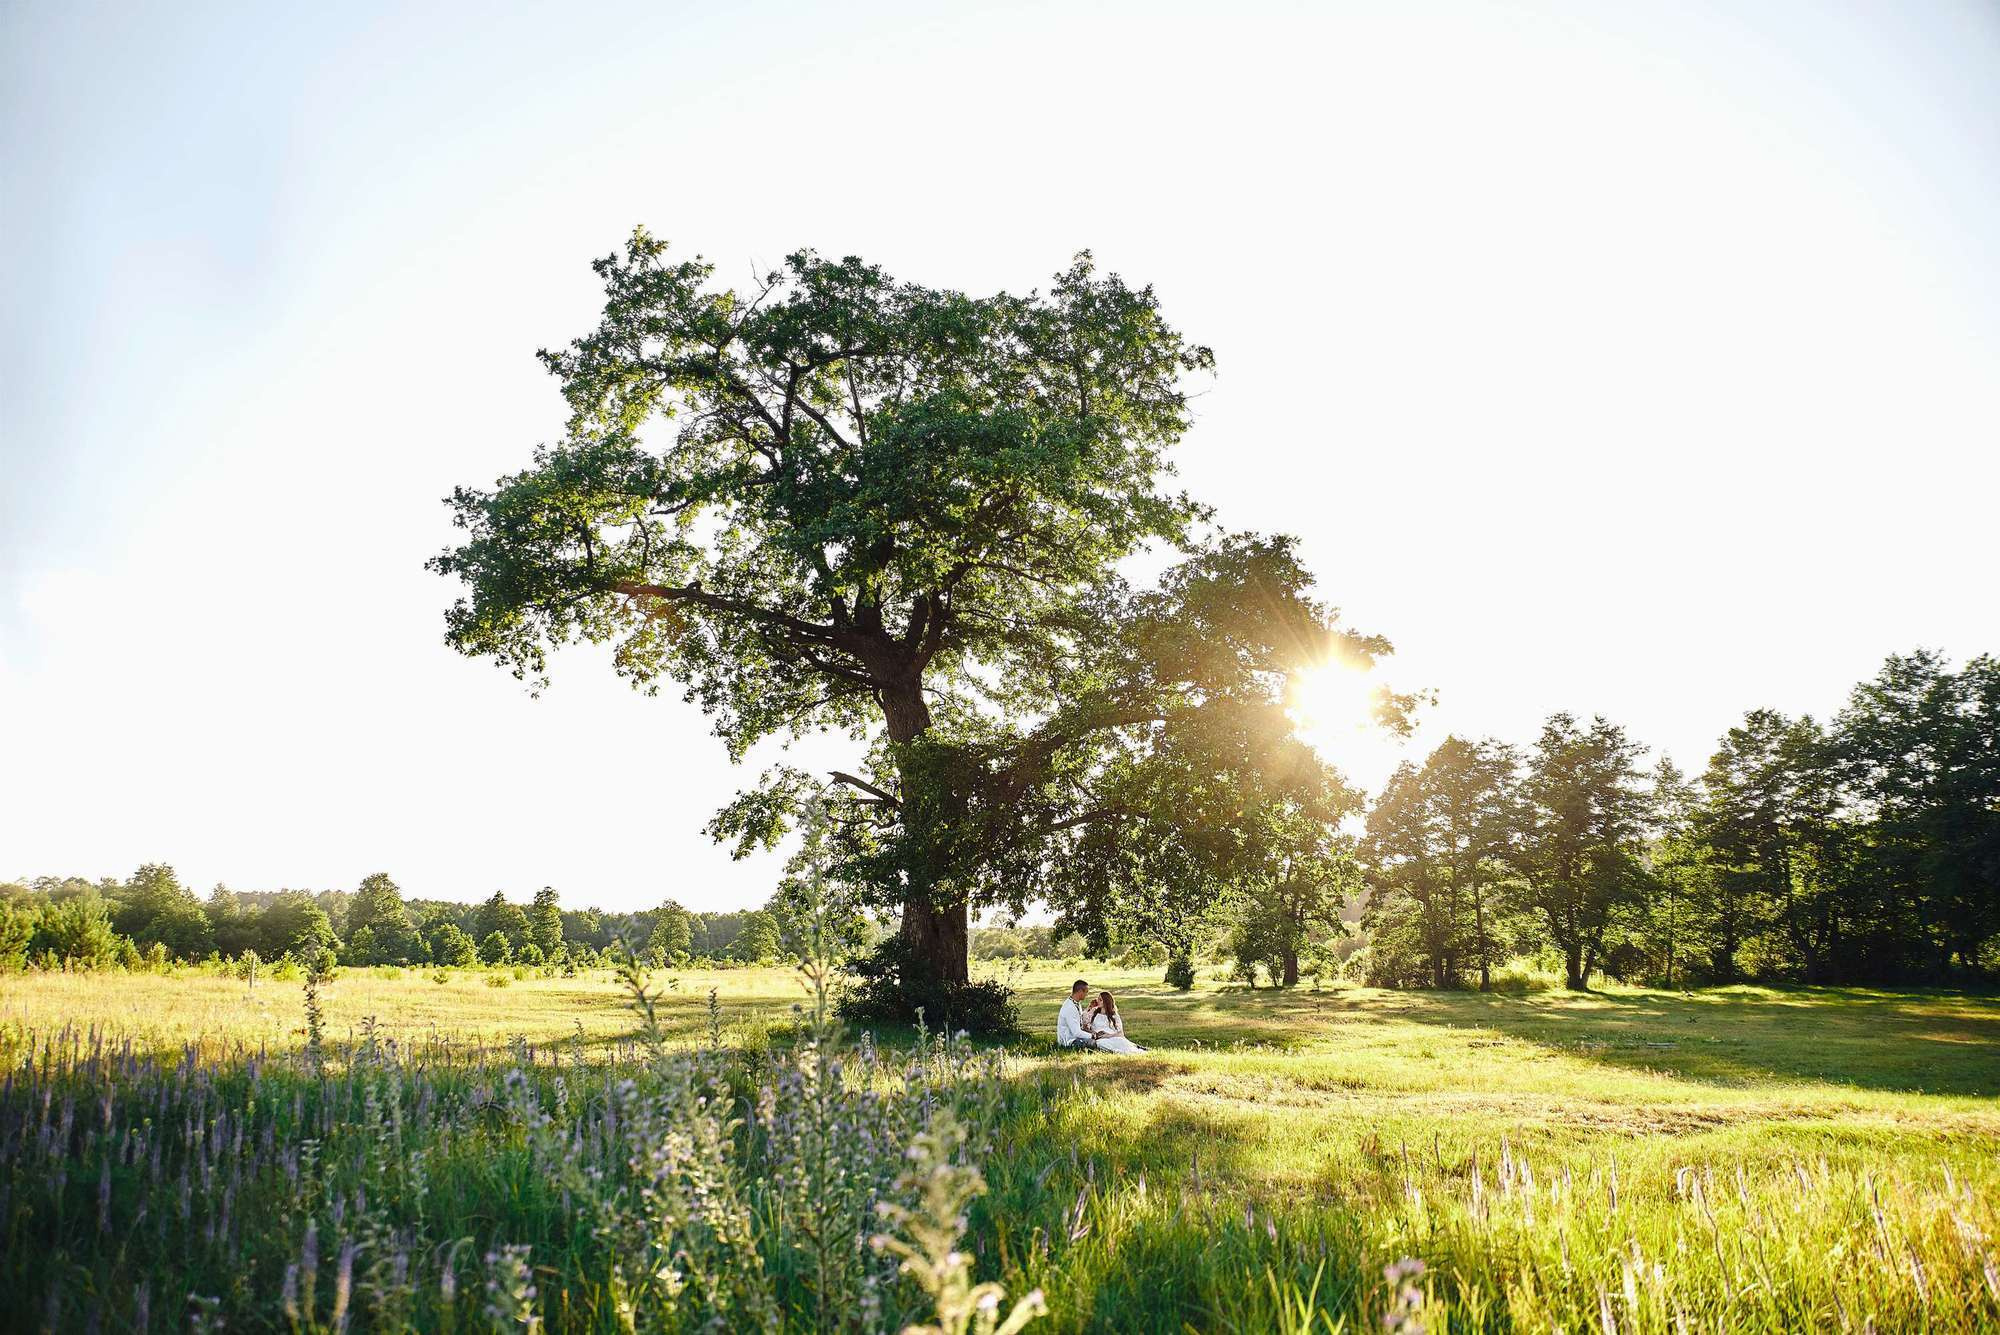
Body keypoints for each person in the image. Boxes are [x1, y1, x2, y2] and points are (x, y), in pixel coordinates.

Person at [1056, 979, 1098, 1050]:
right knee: (1093, 1043)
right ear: (1080, 992)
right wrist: (1092, 1036)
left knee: (1097, 1041)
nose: (1087, 995)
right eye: (1086, 992)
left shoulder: (1076, 1003)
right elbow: (1076, 1032)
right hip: (1070, 1041)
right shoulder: (1069, 1007)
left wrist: (1089, 1008)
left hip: (1076, 1037)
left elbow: (1080, 1021)